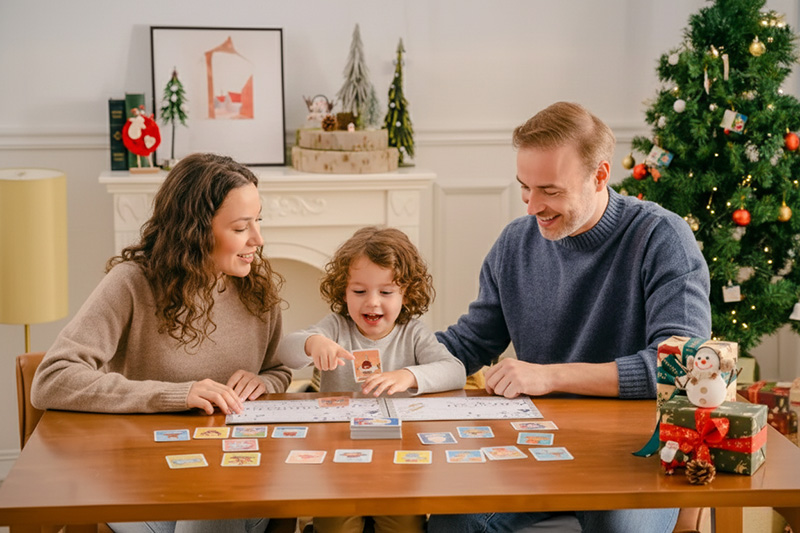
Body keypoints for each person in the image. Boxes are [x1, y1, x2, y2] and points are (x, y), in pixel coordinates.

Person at [427, 102, 712, 533]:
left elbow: (683, 367)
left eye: (550, 191)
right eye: (525, 187)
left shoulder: (661, 237)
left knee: (618, 527)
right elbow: (470, 343)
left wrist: (550, 377)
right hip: (536, 444)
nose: (532, 206)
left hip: (637, 447)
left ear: (600, 175)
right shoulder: (515, 244)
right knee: (455, 523)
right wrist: (391, 358)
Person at [32, 152, 290, 533]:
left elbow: (278, 368)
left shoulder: (257, 289)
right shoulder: (132, 284)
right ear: (197, 229)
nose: (258, 240)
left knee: (217, 498)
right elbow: (52, 379)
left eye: (258, 222)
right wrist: (177, 394)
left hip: (231, 470)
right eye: (241, 228)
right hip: (142, 472)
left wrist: (265, 382)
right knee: (212, 505)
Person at [277, 225, 465, 533]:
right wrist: (313, 343)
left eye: (387, 292)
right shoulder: (336, 327)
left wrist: (408, 376)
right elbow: (287, 350)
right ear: (343, 291)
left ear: (407, 293)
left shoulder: (413, 332)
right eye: (359, 291)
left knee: (404, 525)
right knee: (336, 525)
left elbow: (454, 370)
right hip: (339, 455)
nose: (372, 302)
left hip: (399, 459)